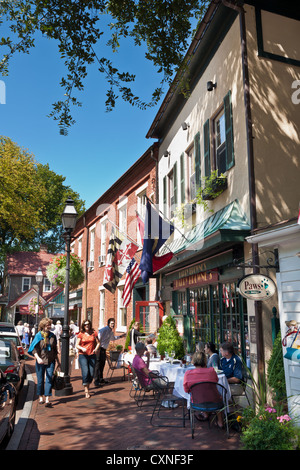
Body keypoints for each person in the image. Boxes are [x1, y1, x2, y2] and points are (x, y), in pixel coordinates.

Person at [183, 351, 224, 428]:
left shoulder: (188, 373)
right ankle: (220, 421)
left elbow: (186, 390)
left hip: (197, 402)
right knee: (217, 395)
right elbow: (216, 381)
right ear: (205, 360)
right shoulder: (211, 371)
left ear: (193, 361)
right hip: (214, 401)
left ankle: (205, 413)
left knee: (201, 394)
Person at [28, 318, 61, 407]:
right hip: (40, 361)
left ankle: (47, 398)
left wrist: (58, 361)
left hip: (51, 361)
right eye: (47, 325)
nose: (49, 327)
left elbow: (54, 350)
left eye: (50, 325)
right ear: (43, 326)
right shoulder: (38, 336)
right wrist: (38, 358)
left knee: (49, 379)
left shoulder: (52, 336)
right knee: (40, 380)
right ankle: (41, 396)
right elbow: (34, 349)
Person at [94, 318, 126, 386]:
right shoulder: (103, 330)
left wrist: (121, 336)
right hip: (100, 348)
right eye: (111, 323)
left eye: (114, 324)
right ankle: (96, 381)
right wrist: (97, 348)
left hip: (104, 349)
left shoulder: (111, 331)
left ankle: (101, 379)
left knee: (102, 364)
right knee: (98, 365)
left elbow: (113, 338)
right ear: (108, 323)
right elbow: (98, 338)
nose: (113, 325)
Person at [76, 320, 100, 398]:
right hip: (83, 355)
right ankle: (86, 390)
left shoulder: (94, 333)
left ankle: (87, 384)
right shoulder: (81, 334)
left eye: (88, 324)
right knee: (85, 372)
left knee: (92, 373)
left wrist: (96, 349)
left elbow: (98, 342)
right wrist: (82, 348)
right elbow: (77, 345)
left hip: (92, 355)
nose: (87, 326)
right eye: (85, 325)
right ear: (83, 326)